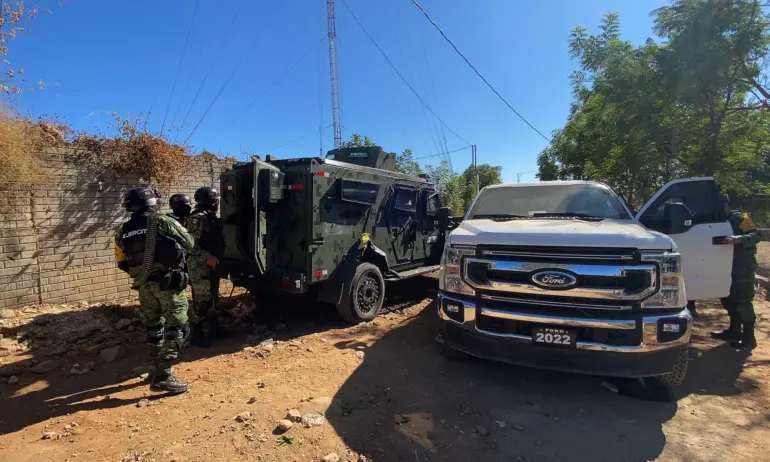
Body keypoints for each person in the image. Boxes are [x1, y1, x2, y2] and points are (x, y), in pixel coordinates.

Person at [114, 187, 194, 393]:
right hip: (167, 284)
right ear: (151, 203)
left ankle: (155, 365)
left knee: (154, 327)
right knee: (178, 327)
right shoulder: (162, 222)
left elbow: (122, 262)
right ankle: (163, 375)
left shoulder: (122, 231)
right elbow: (189, 243)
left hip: (144, 286)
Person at [711, 194, 762, 350]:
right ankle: (734, 332)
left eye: (721, 205)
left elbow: (756, 235)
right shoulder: (716, 221)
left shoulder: (739, 218)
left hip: (742, 267)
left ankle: (749, 339)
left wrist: (738, 239)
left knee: (743, 302)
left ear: (727, 204)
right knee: (728, 300)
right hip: (726, 267)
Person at [186, 186, 225, 348]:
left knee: (212, 298)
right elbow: (189, 245)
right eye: (215, 201)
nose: (217, 204)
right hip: (200, 265)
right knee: (201, 301)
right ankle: (196, 334)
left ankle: (214, 329)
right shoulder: (197, 219)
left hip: (212, 264)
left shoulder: (211, 218)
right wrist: (206, 257)